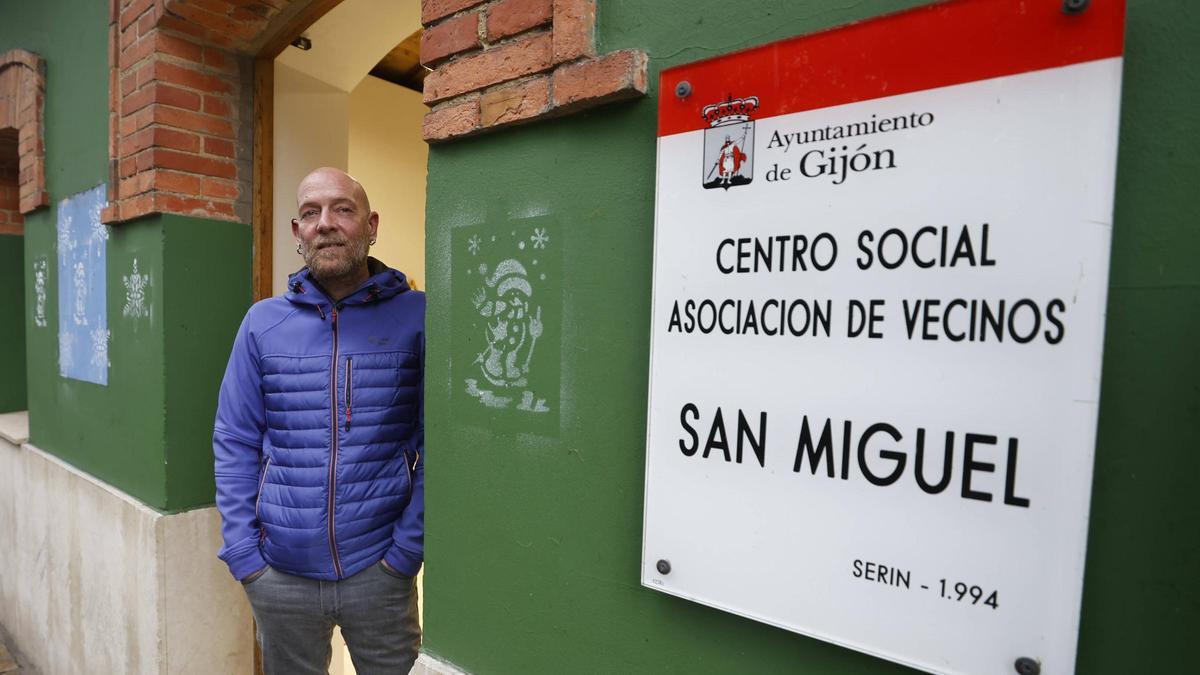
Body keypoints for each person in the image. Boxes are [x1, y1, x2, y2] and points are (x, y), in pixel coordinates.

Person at [213, 167, 425, 674]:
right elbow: (235, 439)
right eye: (311, 213)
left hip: (380, 570)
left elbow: (441, 444)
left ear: (371, 224)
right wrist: (246, 556)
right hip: (280, 576)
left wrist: (406, 551)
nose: (325, 223)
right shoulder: (263, 323)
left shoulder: (419, 317)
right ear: (296, 232)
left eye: (342, 209)